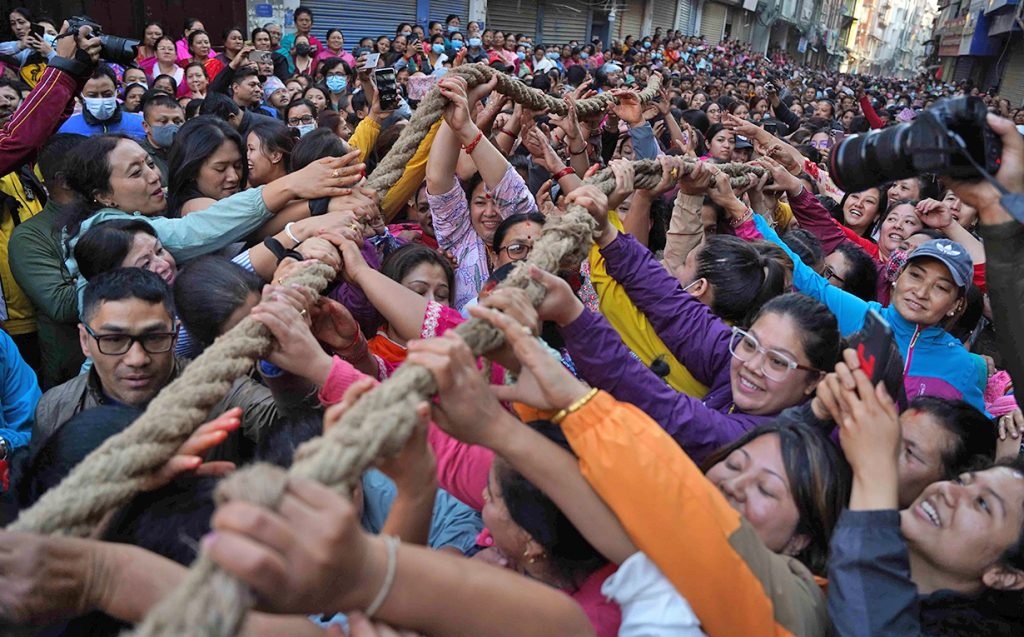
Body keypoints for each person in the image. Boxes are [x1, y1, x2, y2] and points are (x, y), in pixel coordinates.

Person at [28, 268, 284, 461]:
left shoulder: (222, 389)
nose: (137, 359)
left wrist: (281, 361)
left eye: (155, 337)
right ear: (85, 340)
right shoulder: (55, 410)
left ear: (175, 335)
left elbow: (292, 426)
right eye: (114, 340)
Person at [9, 134, 87, 389]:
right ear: (64, 180)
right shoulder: (30, 236)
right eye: (93, 166)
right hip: (73, 376)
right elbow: (63, 305)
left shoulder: (114, 208)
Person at [57, 65, 145, 139]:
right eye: (92, 95)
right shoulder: (68, 129)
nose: (101, 99)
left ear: (116, 92)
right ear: (82, 96)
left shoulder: (140, 125)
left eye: (107, 94)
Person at [139, 93, 184, 186]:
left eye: (177, 122)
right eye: (163, 121)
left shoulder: (192, 150)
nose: (171, 125)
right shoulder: (138, 154)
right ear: (146, 126)